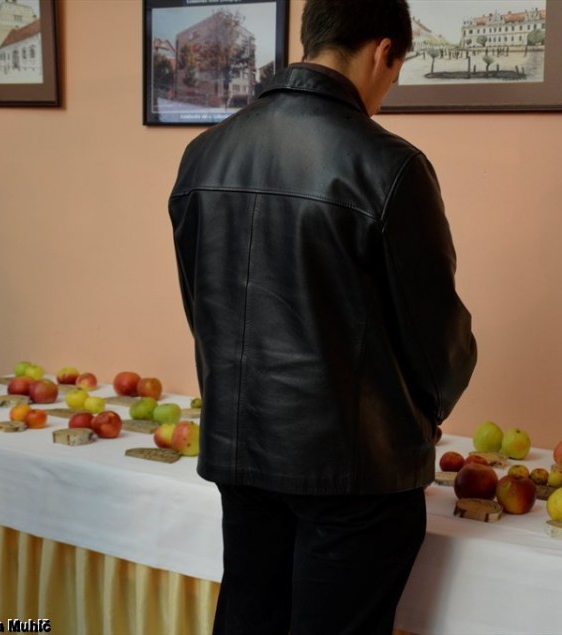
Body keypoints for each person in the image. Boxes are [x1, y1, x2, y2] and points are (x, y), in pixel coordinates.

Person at [168, 1, 477, 633]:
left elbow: (203, 307)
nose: (386, 92)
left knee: (249, 620)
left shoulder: (204, 154)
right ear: (383, 51)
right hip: (355, 472)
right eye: (395, 73)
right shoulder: (388, 164)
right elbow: (437, 337)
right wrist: (427, 414)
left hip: (241, 450)